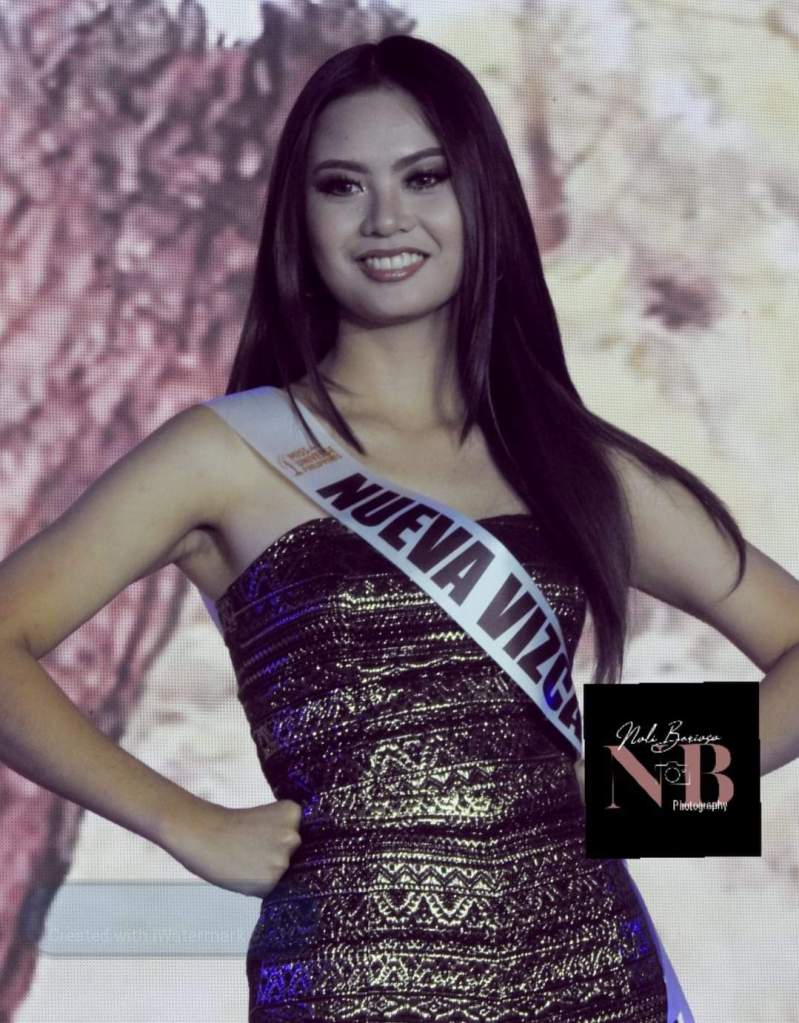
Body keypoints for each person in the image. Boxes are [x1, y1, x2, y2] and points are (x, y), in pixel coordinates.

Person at [1, 32, 798, 1023]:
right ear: (299, 217)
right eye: (342, 186)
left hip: (596, 981)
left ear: (481, 196)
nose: (386, 218)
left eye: (425, 177)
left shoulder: (565, 458)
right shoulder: (229, 449)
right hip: (351, 988)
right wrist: (182, 821)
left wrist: (631, 781)